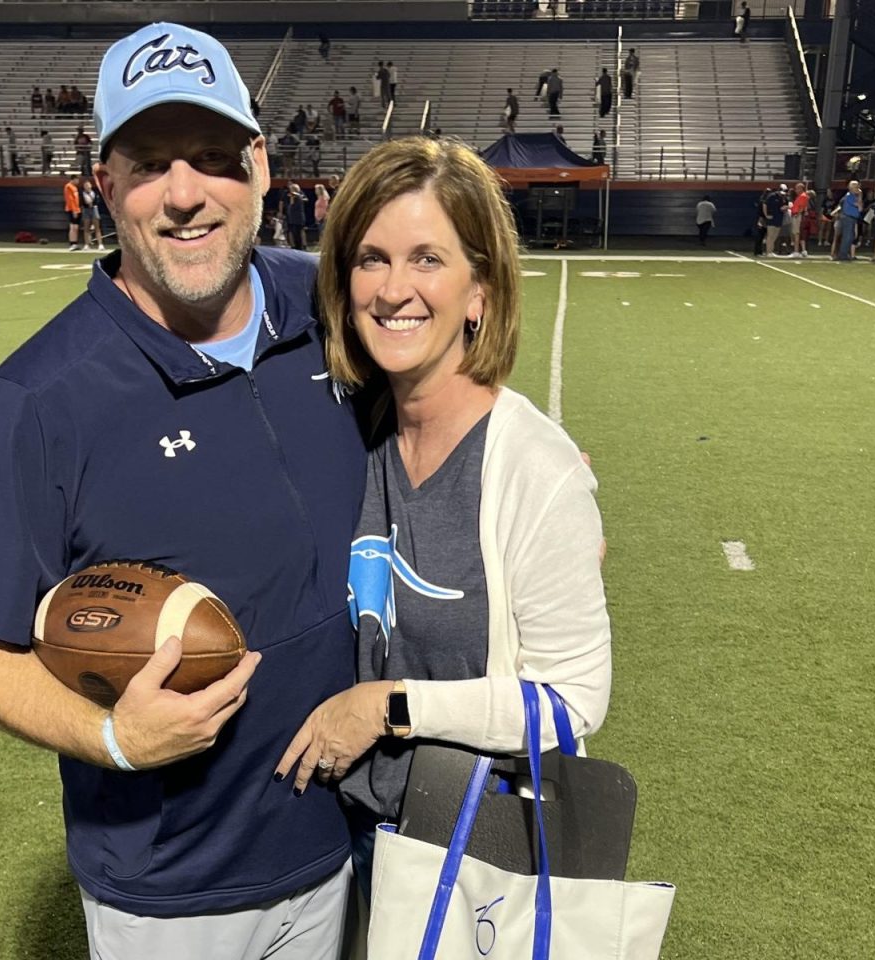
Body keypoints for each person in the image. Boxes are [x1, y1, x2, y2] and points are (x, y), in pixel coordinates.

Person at [0, 21, 365, 959]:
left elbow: (448, 368)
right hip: (170, 893)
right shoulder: (36, 399)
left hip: (349, 842)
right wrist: (112, 738)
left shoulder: (330, 305)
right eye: (149, 163)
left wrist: (532, 472)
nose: (184, 195)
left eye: (211, 157)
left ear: (258, 165)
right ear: (105, 182)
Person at [275, 136, 611, 902]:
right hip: (354, 832)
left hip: (479, 846)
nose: (395, 289)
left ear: (480, 291)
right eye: (371, 259)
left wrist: (388, 708)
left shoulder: (532, 466)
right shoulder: (351, 428)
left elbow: (570, 702)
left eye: (428, 258)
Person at [834, 179, 862, 262]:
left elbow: (860, 208)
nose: (857, 188)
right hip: (848, 218)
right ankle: (842, 254)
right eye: (856, 187)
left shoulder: (853, 196)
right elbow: (859, 206)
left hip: (852, 218)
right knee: (847, 236)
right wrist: (860, 195)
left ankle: (844, 253)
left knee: (851, 236)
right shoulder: (849, 196)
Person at [79, 177, 105, 251]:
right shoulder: (82, 193)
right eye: (85, 185)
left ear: (90, 185)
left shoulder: (94, 192)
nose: (87, 187)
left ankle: (100, 244)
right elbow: (81, 202)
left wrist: (92, 203)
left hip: (94, 209)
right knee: (86, 228)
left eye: (88, 185)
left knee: (97, 228)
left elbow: (97, 201)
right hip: (86, 210)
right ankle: (87, 244)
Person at [283, 181, 307, 251]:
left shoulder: (298, 196)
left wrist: (293, 197)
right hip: (293, 217)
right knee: (294, 232)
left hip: (297, 217)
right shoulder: (293, 196)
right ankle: (296, 246)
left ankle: (299, 247)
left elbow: (292, 205)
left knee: (297, 233)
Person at [789, 181, 809, 257]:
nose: (795, 190)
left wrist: (797, 214)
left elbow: (801, 207)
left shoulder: (803, 196)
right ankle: (798, 250)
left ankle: (796, 251)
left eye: (797, 188)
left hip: (797, 216)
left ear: (801, 189)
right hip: (796, 215)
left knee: (796, 233)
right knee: (796, 233)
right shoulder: (800, 196)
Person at [63, 171, 81, 250]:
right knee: (73, 226)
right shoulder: (68, 187)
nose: (78, 181)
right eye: (77, 179)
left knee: (76, 227)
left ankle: (75, 242)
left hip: (77, 209)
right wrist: (74, 210)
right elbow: (70, 199)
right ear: (73, 179)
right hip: (72, 209)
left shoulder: (75, 187)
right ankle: (72, 243)